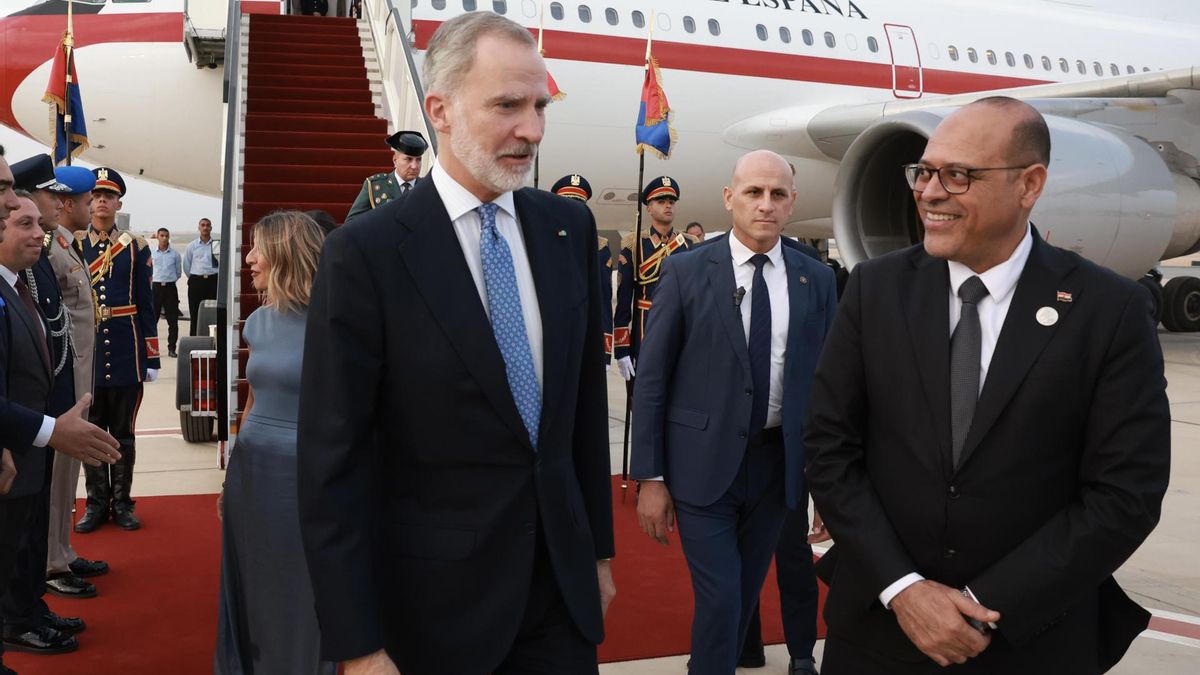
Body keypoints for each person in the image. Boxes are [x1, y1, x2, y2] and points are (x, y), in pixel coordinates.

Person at [805, 97, 1171, 674]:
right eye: (923, 172)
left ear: (1029, 185)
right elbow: (828, 450)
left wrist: (978, 608)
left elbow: (1125, 494)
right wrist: (905, 590)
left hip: (1032, 640)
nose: (928, 193)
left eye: (958, 175)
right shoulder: (874, 290)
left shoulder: (1110, 310)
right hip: (880, 632)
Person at [297, 12, 615, 675]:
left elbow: (582, 410)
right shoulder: (367, 254)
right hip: (432, 614)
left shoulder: (567, 230)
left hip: (560, 602)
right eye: (507, 106)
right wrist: (356, 643)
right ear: (439, 110)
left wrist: (598, 555)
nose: (531, 130)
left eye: (539, 106)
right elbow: (334, 464)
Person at [631, 150, 837, 675]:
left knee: (742, 598)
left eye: (777, 194)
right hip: (701, 469)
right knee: (723, 599)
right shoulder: (685, 271)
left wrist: (829, 479)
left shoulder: (817, 281)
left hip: (774, 471)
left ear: (791, 204)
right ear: (730, 199)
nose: (764, 205)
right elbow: (652, 381)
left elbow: (829, 385)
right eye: (753, 192)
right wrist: (650, 476)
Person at [0, 195, 120, 664]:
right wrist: (49, 428)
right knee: (14, 541)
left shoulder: (18, 286)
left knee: (28, 534)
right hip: (19, 438)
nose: (37, 233)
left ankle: (28, 609)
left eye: (38, 222)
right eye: (24, 222)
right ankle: (17, 619)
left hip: (32, 433)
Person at [214, 210, 334, 675]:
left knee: (300, 589)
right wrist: (230, 479)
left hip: (304, 472)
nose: (248, 258)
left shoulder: (336, 319)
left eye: (257, 248)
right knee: (250, 582)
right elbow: (252, 400)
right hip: (253, 470)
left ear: (284, 253)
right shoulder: (257, 322)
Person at [76, 168, 160, 533]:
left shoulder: (135, 245)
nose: (101, 201)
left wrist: (152, 355)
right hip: (88, 353)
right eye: (96, 196)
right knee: (91, 429)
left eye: (108, 196)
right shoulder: (75, 245)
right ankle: (95, 504)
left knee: (123, 432)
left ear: (118, 203)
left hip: (127, 351)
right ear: (88, 201)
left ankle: (123, 503)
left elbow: (146, 302)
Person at [44, 166, 110, 594]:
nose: (92, 206)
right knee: (55, 474)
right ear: (66, 203)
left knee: (68, 473)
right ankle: (51, 563)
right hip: (64, 377)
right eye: (87, 200)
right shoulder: (51, 250)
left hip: (79, 375)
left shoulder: (70, 246)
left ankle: (63, 551)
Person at [612, 176, 699, 381]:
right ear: (649, 209)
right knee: (643, 392)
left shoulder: (688, 244)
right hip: (646, 327)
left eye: (671, 202)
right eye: (661, 202)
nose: (668, 206)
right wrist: (623, 349)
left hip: (680, 326)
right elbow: (624, 301)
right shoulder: (634, 245)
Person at [551, 173, 614, 366]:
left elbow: (603, 301)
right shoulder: (543, 243)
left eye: (578, 204)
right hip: (552, 336)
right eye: (567, 202)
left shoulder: (600, 248)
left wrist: (604, 348)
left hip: (584, 336)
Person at [345, 130, 429, 222]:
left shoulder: (428, 187)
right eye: (408, 159)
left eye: (418, 160)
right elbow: (351, 223)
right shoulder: (375, 186)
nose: (414, 166)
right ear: (395, 160)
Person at [182, 217, 218, 337]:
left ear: (211, 228)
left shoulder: (217, 245)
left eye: (208, 225)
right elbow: (186, 265)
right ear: (199, 228)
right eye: (203, 225)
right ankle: (194, 339)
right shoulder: (191, 246)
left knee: (214, 312)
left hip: (213, 281)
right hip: (196, 282)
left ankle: (213, 339)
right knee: (195, 312)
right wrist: (194, 278)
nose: (205, 227)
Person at [151, 227, 183, 357]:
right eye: (162, 235)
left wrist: (170, 279)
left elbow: (179, 272)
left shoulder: (175, 254)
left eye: (166, 236)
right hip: (156, 288)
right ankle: (152, 350)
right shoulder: (152, 254)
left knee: (173, 321)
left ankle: (171, 349)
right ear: (157, 237)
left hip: (170, 288)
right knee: (153, 321)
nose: (164, 238)